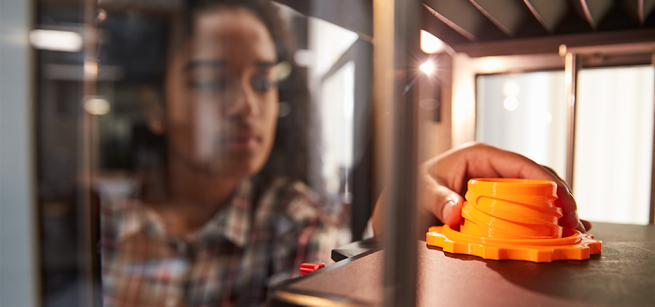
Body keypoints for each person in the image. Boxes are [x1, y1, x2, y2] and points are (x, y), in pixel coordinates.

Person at [100, 0, 589, 306]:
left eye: (262, 80)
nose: (246, 105)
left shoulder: (295, 220)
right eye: (211, 79)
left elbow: (334, 274)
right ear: (154, 106)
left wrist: (386, 235)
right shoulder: (97, 223)